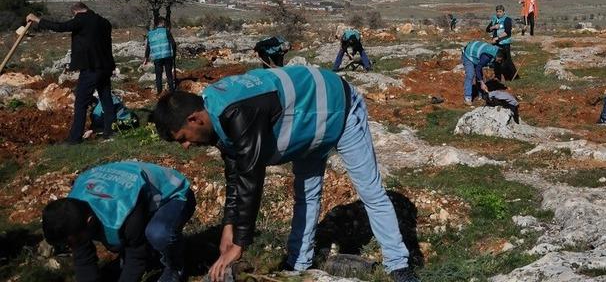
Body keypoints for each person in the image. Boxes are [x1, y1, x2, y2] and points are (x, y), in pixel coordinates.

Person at [151, 66, 419, 282]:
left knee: (370, 192)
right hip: (307, 126)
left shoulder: (237, 112)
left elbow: (251, 175)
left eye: (183, 138)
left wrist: (239, 244)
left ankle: (399, 265)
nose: (186, 146)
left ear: (195, 119)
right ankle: (299, 264)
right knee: (306, 196)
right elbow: (235, 176)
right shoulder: (215, 113)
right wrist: (228, 229)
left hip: (339, 109)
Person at [41, 161, 195, 282]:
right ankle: (148, 248)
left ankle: (175, 266)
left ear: (89, 221)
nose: (70, 246)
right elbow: (83, 256)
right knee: (116, 242)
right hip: (137, 194)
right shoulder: (73, 210)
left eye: (71, 243)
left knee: (158, 233)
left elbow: (136, 258)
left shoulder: (125, 213)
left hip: (174, 193)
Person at [26, 3, 116, 144]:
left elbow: (60, 27)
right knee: (106, 98)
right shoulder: (104, 22)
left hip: (91, 68)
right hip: (105, 66)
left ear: (76, 12)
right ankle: (110, 131)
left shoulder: (81, 19)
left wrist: (37, 19)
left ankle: (75, 138)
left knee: (81, 103)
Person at [461, 40, 508, 106]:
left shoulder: (497, 52)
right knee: (470, 74)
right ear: (498, 56)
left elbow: (482, 67)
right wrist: (482, 83)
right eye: (500, 60)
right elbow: (477, 69)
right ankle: (467, 97)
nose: (499, 62)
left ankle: (481, 95)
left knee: (479, 75)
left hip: (476, 55)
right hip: (468, 55)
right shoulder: (486, 57)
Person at [144, 17, 177, 94]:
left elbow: (148, 47)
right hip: (167, 56)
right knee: (169, 74)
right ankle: (172, 91)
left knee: (158, 75)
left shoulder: (150, 34)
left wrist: (146, 58)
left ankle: (159, 92)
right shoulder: (166, 31)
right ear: (162, 23)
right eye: (164, 23)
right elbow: (173, 44)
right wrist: (174, 54)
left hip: (157, 57)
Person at [486, 4, 516, 79]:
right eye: (497, 12)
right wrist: (494, 27)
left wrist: (497, 38)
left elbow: (508, 32)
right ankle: (498, 77)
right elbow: (487, 29)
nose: (498, 13)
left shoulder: (507, 19)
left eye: (500, 11)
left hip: (504, 44)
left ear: (503, 12)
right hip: (496, 44)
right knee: (496, 60)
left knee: (507, 61)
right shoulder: (494, 19)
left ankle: (513, 77)